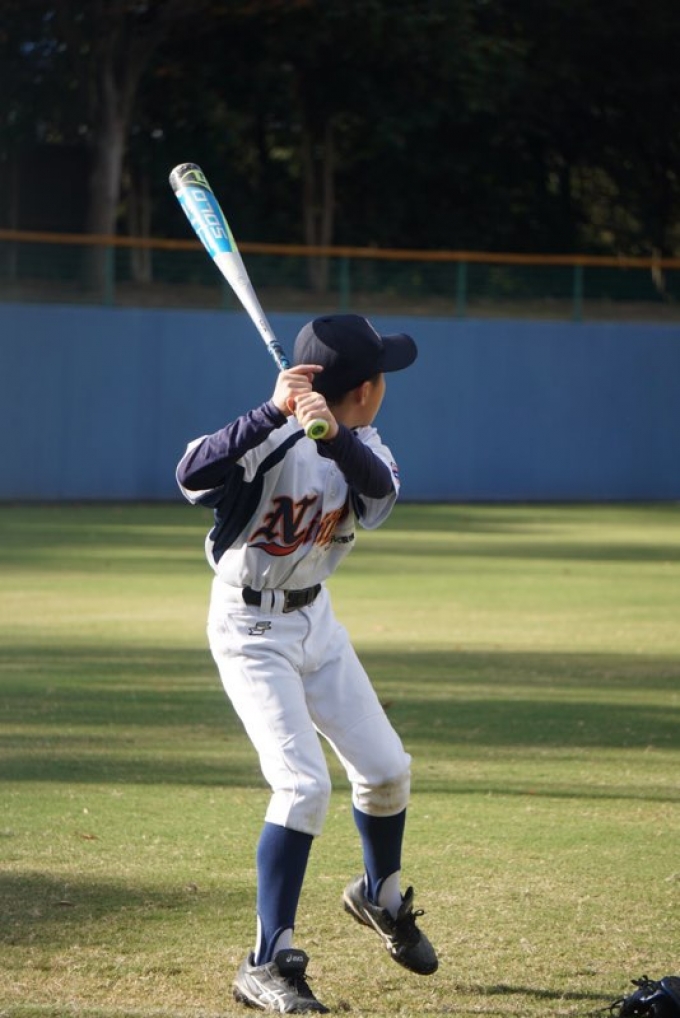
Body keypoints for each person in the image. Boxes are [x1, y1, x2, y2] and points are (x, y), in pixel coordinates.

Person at [176, 313, 438, 1014]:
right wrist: (272, 413)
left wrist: (333, 434)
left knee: (387, 769)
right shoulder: (268, 437)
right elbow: (191, 473)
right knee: (301, 785)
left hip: (316, 622)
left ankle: (379, 896)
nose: (385, 385)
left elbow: (379, 495)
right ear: (365, 388)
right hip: (249, 629)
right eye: (381, 375)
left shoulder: (366, 445)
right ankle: (265, 962)